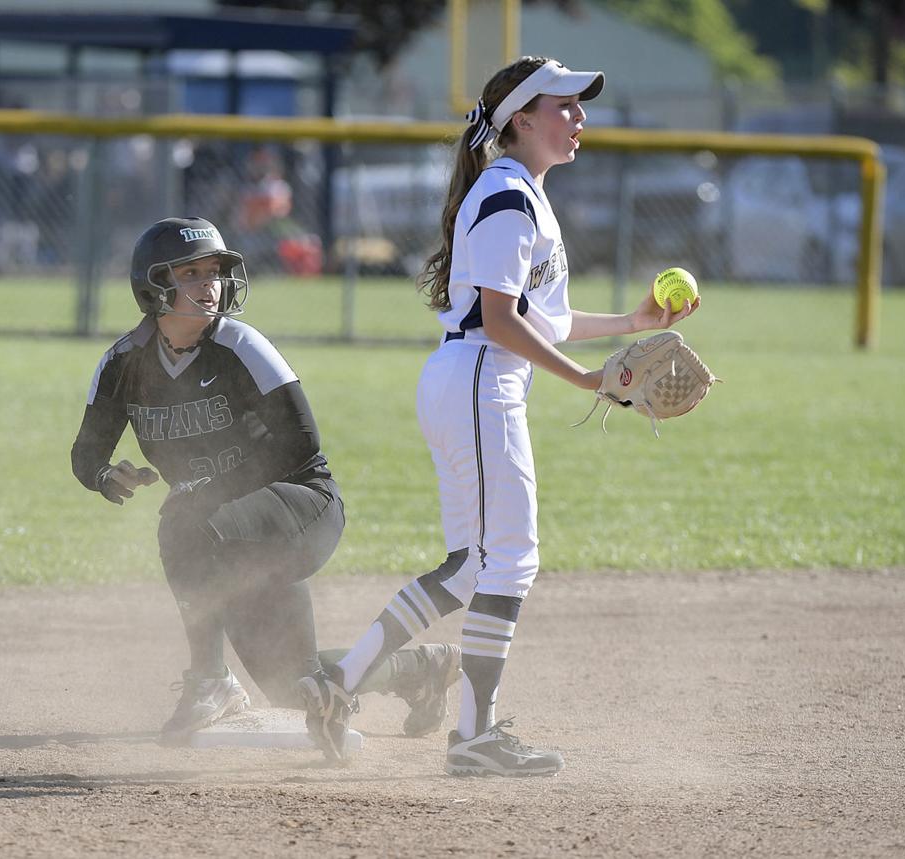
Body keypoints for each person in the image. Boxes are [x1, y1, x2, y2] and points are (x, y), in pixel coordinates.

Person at [297, 57, 700, 775]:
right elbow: (500, 321)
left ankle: (340, 683)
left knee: (470, 566)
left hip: (472, 379)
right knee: (509, 561)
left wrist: (631, 320)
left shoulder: (521, 194)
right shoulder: (509, 197)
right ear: (522, 119)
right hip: (482, 379)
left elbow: (539, 316)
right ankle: (473, 735)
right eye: (564, 105)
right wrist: (585, 380)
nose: (578, 117)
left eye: (579, 106)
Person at [70, 217, 461, 739]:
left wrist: (206, 493)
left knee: (182, 520)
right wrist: (106, 475)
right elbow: (86, 452)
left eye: (214, 271)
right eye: (190, 272)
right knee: (290, 684)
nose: (208, 284)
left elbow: (302, 444)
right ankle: (420, 672)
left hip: (302, 506)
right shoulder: (122, 362)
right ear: (152, 285)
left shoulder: (239, 345)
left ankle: (210, 680)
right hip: (228, 532)